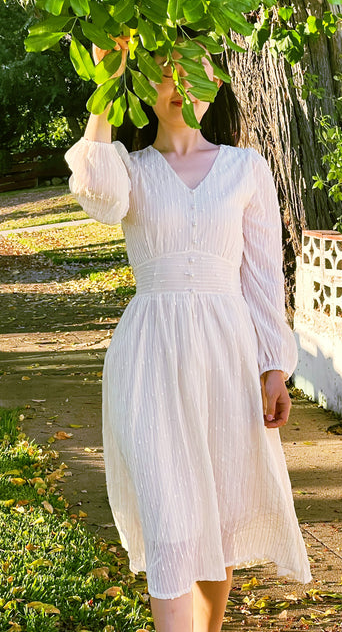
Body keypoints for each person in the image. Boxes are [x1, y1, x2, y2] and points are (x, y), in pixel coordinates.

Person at [65, 35, 312, 632]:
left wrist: (273, 368)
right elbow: (94, 191)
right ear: (144, 86)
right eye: (163, 74)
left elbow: (260, 279)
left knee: (217, 523)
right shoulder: (130, 170)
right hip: (150, 356)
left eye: (193, 74)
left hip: (226, 355)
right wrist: (107, 82)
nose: (179, 86)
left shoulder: (246, 170)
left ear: (216, 86)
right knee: (171, 522)